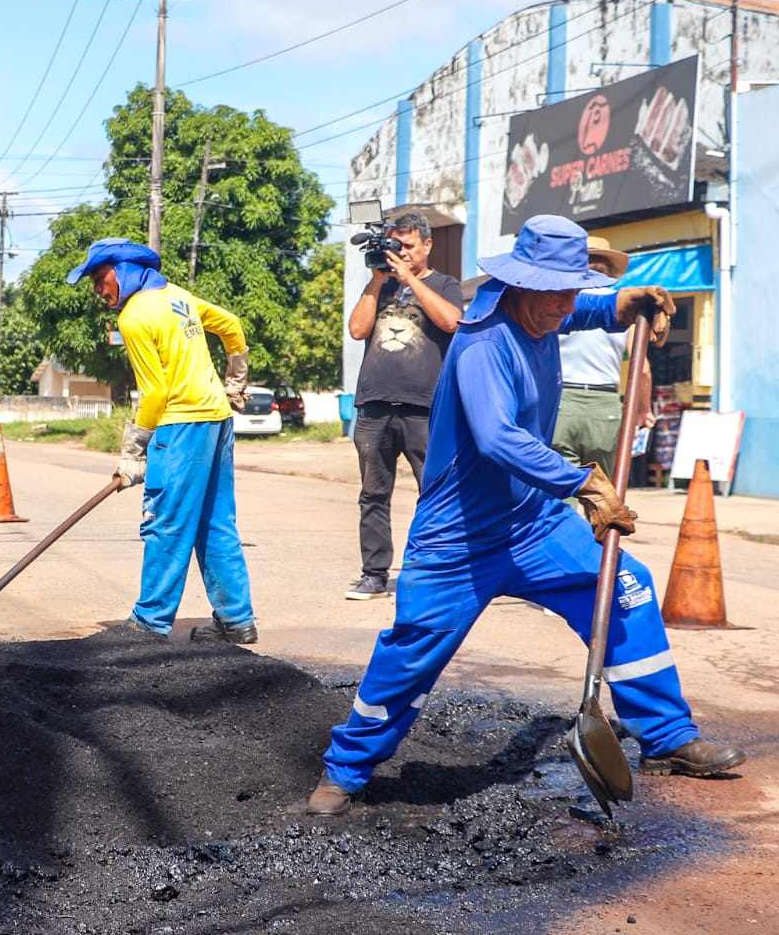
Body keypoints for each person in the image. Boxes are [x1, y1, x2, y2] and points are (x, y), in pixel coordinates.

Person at [306, 214, 744, 818]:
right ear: (521, 286)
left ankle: (666, 737)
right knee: (410, 651)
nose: (566, 305)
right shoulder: (484, 344)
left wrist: (623, 303)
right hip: (458, 536)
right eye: (557, 291)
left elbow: (579, 310)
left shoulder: (542, 310)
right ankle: (346, 769)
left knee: (627, 588)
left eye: (573, 290)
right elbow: (496, 438)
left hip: (533, 522)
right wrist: (582, 484)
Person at [65, 238, 257, 645]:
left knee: (166, 523)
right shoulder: (179, 297)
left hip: (180, 427)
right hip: (217, 421)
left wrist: (133, 450)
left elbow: (154, 394)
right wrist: (236, 378)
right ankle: (236, 619)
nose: (100, 291)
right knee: (215, 523)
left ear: (125, 269)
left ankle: (149, 623)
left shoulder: (134, 316)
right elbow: (232, 326)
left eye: (101, 279)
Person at [345, 211, 462, 601]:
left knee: (435, 492)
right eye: (396, 246)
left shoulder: (444, 284)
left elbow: (451, 323)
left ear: (427, 245)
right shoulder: (379, 287)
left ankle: (432, 571)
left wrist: (410, 278)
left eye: (408, 246)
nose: (402, 254)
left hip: (424, 408)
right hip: (375, 405)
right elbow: (358, 330)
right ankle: (374, 574)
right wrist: (378, 281)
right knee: (373, 494)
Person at [552, 236, 655, 480]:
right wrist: (643, 409)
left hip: (561, 402)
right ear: (609, 272)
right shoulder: (624, 307)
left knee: (560, 488)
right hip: (605, 407)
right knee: (602, 493)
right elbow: (642, 369)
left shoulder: (560, 303)